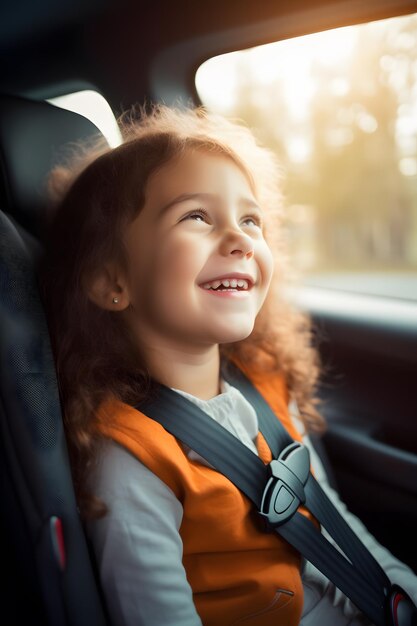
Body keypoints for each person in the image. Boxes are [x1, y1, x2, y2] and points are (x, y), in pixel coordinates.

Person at [39, 104, 417, 626]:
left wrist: (403, 589)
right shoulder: (129, 457)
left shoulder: (267, 384)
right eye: (196, 216)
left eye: (251, 220)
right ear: (112, 282)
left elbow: (332, 520)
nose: (239, 239)